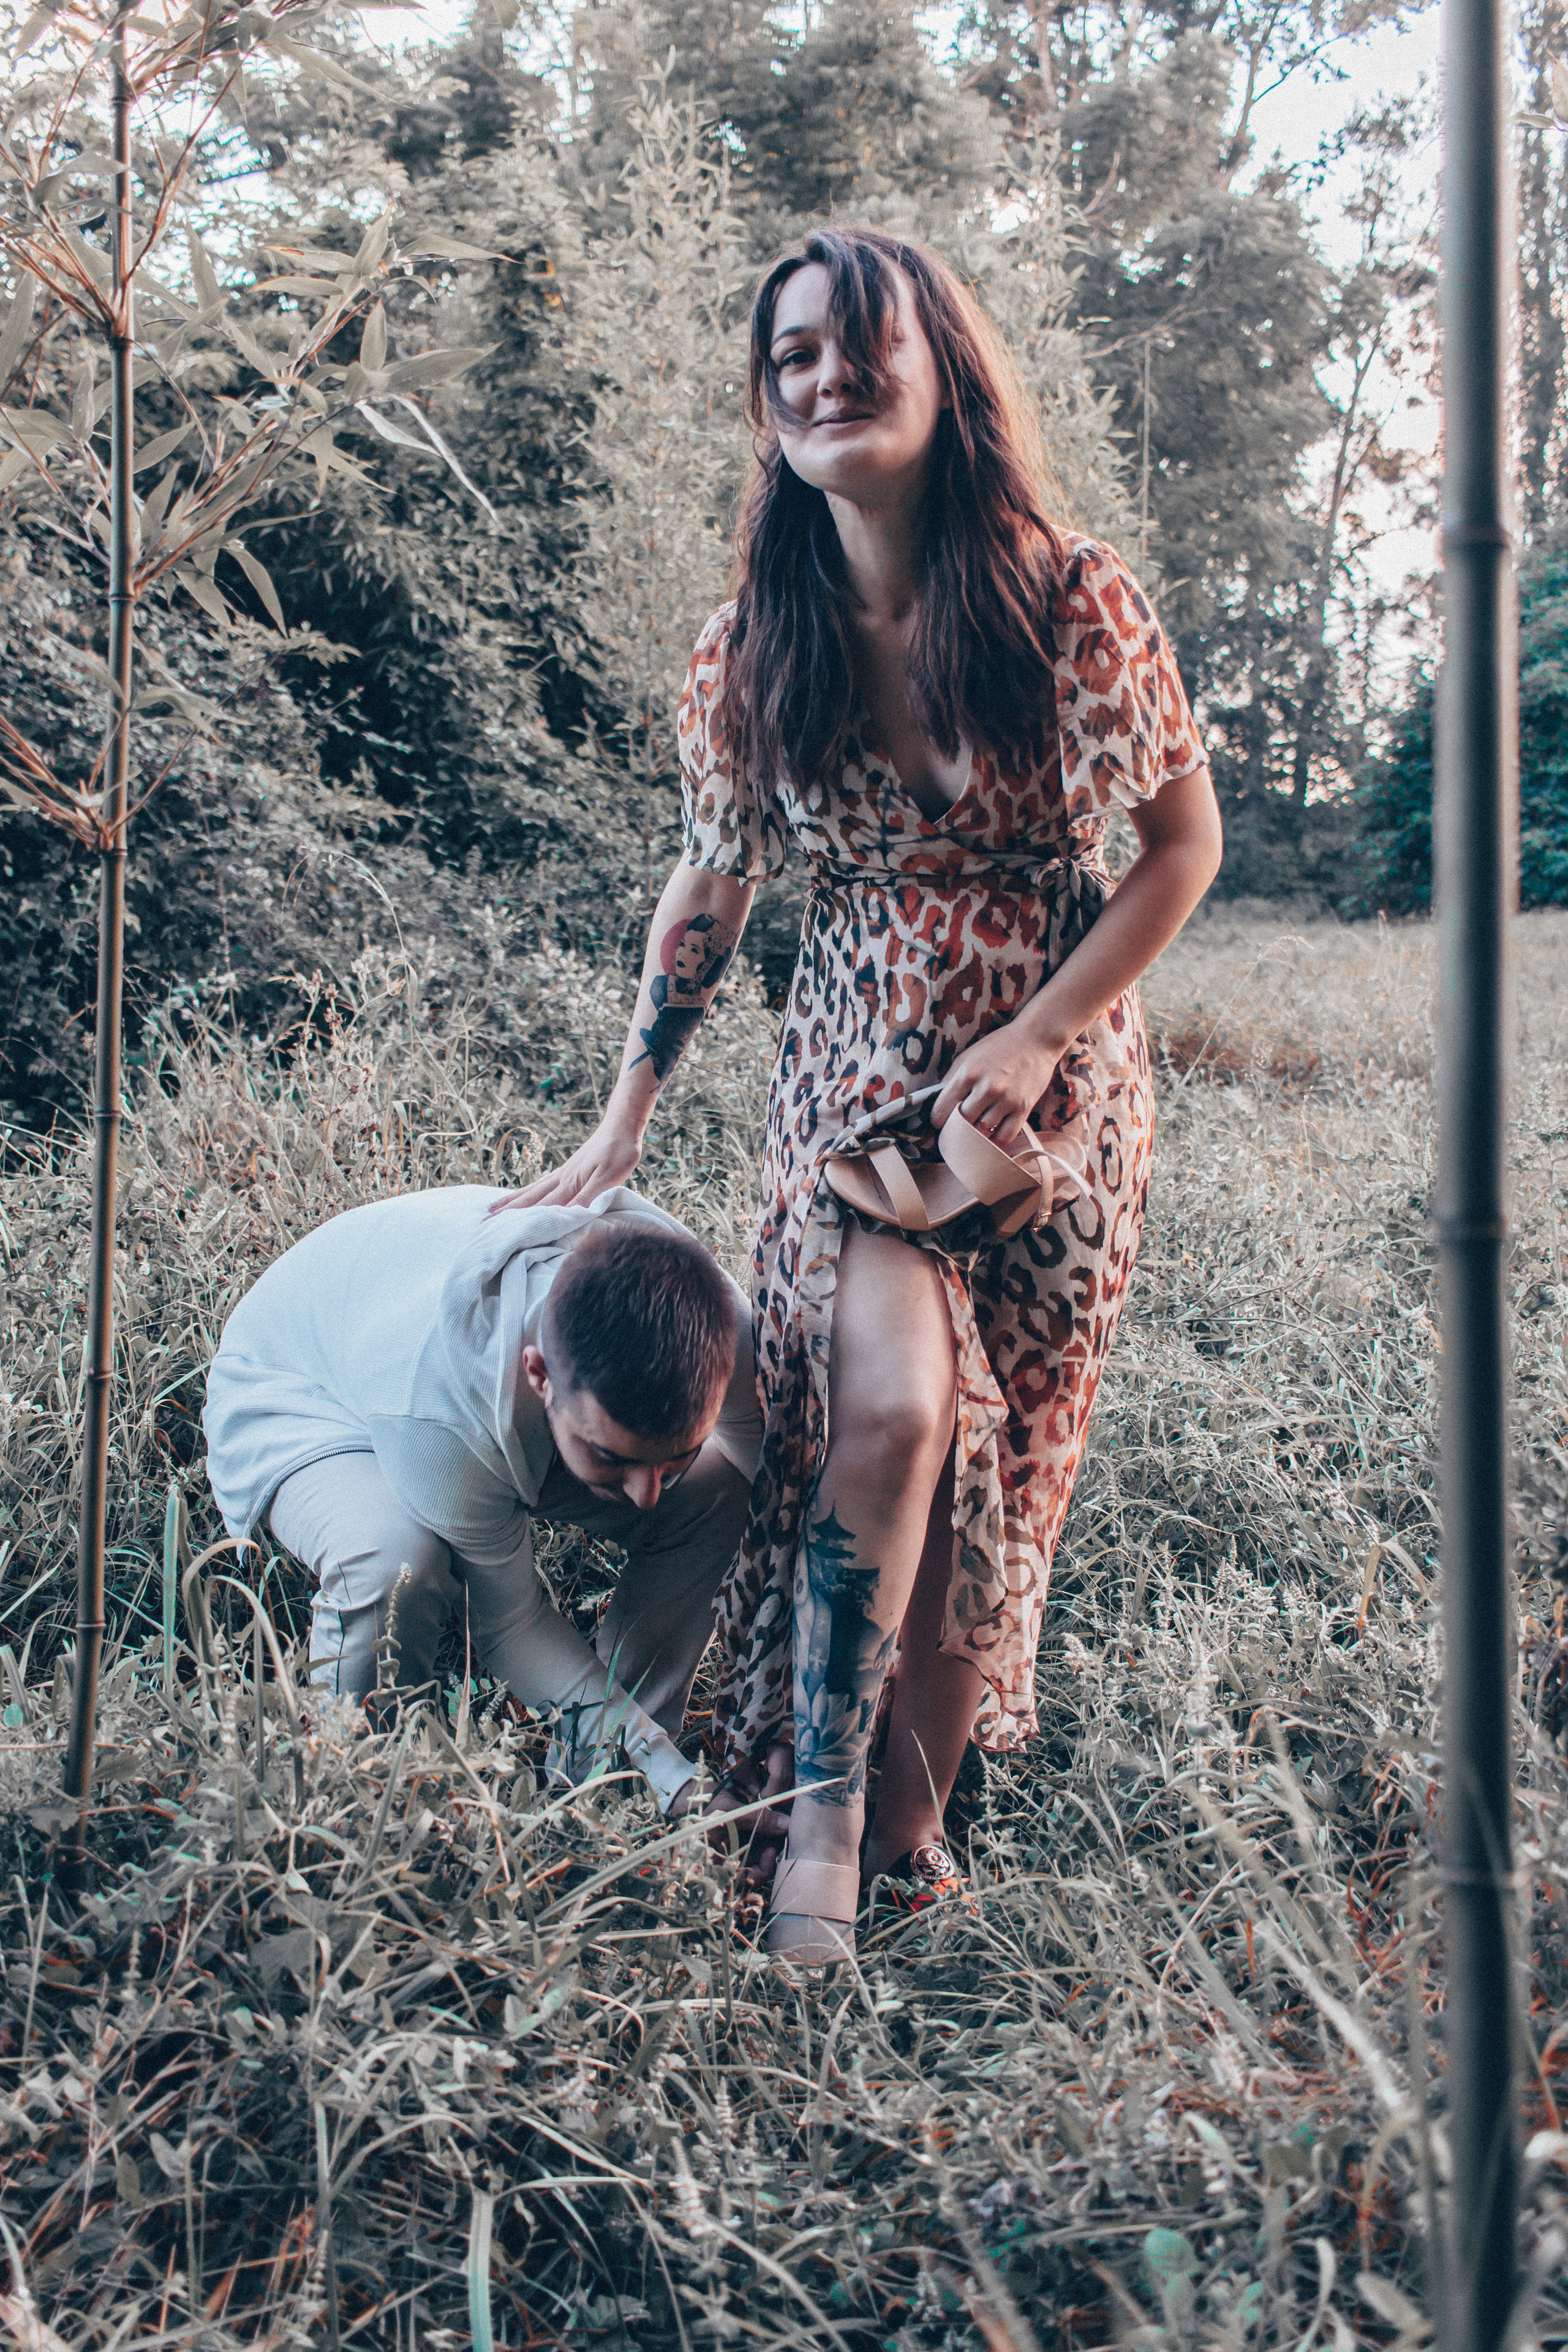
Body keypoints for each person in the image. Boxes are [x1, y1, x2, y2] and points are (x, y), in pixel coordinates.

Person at [510, 225, 1224, 1958]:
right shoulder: (753, 642)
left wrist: (1045, 1033)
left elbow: (1181, 848)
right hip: (855, 1084)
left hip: (1052, 1107)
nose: (827, 378)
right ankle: (816, 1824)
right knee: (892, 1421)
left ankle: (908, 1821)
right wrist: (624, 1118)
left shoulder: (1072, 601)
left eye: (862, 345)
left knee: (1018, 1457)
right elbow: (713, 888)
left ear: (943, 368)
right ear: (770, 403)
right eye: (794, 357)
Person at [203, 1186, 760, 1815]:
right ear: (539, 1374)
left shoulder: (720, 1328)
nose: (646, 1493)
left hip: (407, 1343)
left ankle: (605, 1786)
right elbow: (511, 1624)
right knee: (397, 1565)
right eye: (614, 1458)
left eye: (671, 1456)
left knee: (717, 1494)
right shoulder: (442, 1419)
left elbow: (780, 1484)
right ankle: (358, 1797)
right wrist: (674, 1773)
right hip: (304, 1395)